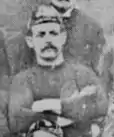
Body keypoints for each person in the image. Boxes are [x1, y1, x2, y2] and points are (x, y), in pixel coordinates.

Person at [7, 5, 110, 137]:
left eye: (53, 33)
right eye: (41, 34)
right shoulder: (23, 80)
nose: (48, 40)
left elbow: (101, 107)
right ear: (30, 41)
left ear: (63, 37)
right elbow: (18, 120)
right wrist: (71, 115)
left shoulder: (83, 74)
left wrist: (47, 105)